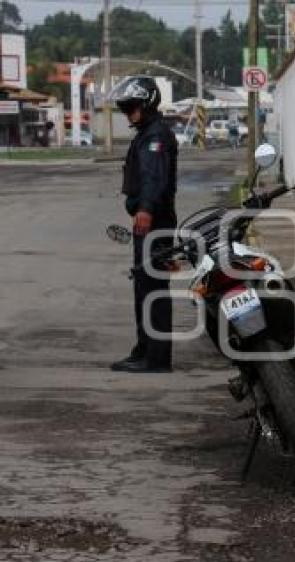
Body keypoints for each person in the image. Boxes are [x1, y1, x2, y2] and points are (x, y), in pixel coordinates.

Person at [109, 76, 178, 373]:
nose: (129, 113)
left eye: (132, 107)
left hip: (155, 222)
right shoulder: (147, 133)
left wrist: (146, 209)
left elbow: (155, 178)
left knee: (154, 290)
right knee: (144, 287)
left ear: (147, 103)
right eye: (125, 109)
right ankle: (144, 349)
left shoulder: (155, 136)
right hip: (148, 224)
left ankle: (157, 358)